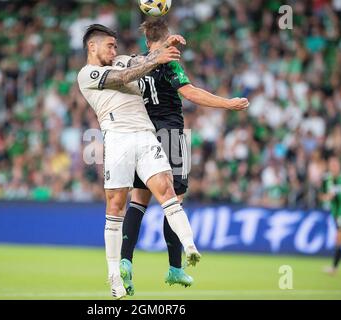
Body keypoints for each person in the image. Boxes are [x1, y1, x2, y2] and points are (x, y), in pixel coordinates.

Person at [120, 19, 249, 296]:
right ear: (167, 39)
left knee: (138, 201)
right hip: (170, 136)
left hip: (142, 136)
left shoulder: (135, 63)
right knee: (173, 201)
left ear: (146, 41)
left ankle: (125, 261)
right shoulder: (168, 63)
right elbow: (190, 93)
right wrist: (228, 103)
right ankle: (175, 268)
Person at [77, 24, 201, 299]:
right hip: (118, 139)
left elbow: (143, 61)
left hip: (146, 136)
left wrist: (163, 44)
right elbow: (124, 76)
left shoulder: (121, 59)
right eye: (109, 45)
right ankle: (114, 278)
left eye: (116, 45)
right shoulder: (88, 74)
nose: (115, 49)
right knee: (116, 205)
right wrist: (155, 57)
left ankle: (189, 247)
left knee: (167, 190)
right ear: (92, 47)